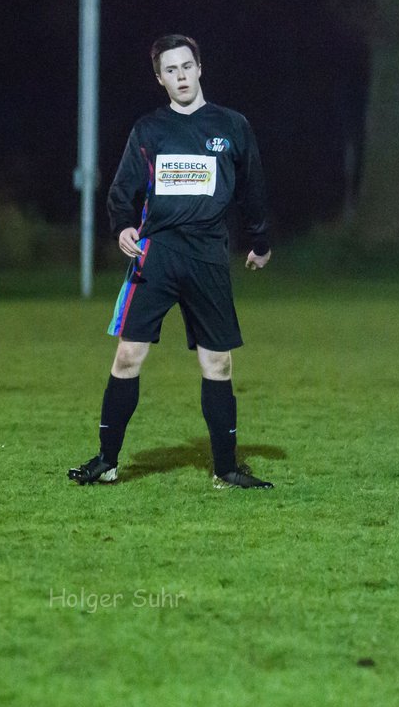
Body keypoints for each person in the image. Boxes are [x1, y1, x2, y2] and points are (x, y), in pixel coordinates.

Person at [69, 34, 274, 490]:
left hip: (208, 258)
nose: (180, 76)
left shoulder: (232, 125)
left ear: (200, 68)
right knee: (127, 355)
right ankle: (107, 460)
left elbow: (252, 188)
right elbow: (123, 191)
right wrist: (123, 225)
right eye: (171, 70)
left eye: (187, 66)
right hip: (156, 255)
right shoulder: (149, 129)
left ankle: (226, 469)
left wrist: (260, 240)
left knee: (218, 364)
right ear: (159, 78)